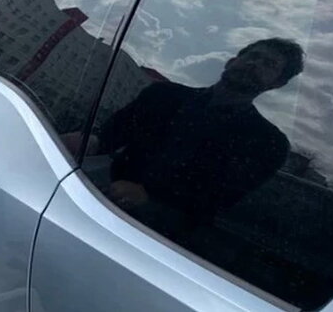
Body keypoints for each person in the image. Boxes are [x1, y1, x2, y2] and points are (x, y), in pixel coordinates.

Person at [93, 38, 304, 237]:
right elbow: (108, 137)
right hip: (94, 198)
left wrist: (148, 199)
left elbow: (216, 200)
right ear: (232, 61)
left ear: (277, 83)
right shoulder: (163, 95)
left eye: (269, 64)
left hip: (161, 239)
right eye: (253, 56)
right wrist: (89, 141)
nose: (254, 64)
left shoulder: (267, 143)